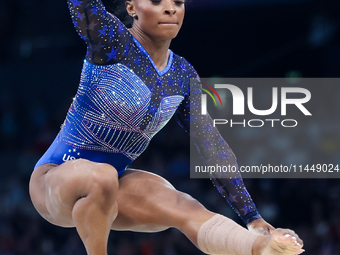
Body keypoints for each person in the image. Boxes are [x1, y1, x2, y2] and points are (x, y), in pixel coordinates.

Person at [29, 0, 305, 254]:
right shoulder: (111, 40)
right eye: (158, 1)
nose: (170, 9)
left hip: (111, 189)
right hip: (53, 180)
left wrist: (253, 218)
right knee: (101, 176)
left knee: (184, 204)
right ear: (132, 7)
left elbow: (212, 146)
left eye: (178, 2)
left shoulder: (182, 74)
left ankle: (261, 248)